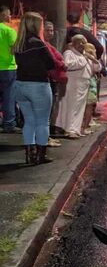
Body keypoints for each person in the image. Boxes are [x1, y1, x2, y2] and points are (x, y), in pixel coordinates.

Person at [13, 12, 55, 164]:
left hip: (20, 85)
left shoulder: (19, 43)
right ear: (36, 25)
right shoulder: (38, 43)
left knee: (29, 121)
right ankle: (40, 155)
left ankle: (29, 154)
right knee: (43, 121)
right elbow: (51, 63)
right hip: (38, 85)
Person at [57, 35, 99, 139]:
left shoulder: (85, 55)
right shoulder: (69, 53)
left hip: (83, 85)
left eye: (83, 43)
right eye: (79, 42)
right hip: (73, 84)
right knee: (72, 107)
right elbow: (68, 65)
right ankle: (69, 129)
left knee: (79, 108)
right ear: (74, 43)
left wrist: (93, 60)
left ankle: (75, 128)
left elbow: (96, 68)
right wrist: (84, 59)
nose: (81, 45)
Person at [42, 21, 67, 147]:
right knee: (46, 110)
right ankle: (44, 138)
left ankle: (46, 137)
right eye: (47, 30)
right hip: (48, 79)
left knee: (50, 109)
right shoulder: (43, 45)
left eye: (52, 30)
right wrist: (63, 64)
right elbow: (53, 61)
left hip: (52, 79)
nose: (50, 33)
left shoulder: (48, 44)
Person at [0, 5, 19, 133]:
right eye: (8, 14)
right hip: (8, 68)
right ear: (2, 15)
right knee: (9, 96)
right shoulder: (9, 30)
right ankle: (9, 123)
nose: (10, 16)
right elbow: (15, 48)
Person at [80, 43, 100, 134]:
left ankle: (82, 127)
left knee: (83, 107)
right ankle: (84, 127)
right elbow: (97, 68)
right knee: (89, 107)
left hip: (82, 83)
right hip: (90, 83)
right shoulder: (91, 59)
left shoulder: (82, 56)